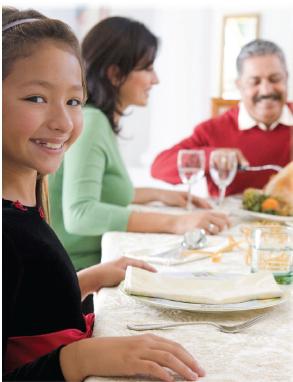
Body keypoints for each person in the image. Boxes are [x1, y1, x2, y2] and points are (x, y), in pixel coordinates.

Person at [2, 7, 206, 381]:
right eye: (35, 98)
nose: (63, 122)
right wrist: (77, 360)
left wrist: (87, 279)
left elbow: (23, 311)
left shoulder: (25, 208)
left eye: (73, 101)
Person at [48, 16, 230, 276]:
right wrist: (176, 222)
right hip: (77, 273)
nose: (155, 80)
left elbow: (100, 191)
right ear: (115, 74)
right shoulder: (92, 123)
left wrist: (159, 194)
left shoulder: (98, 120)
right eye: (147, 68)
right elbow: (81, 213)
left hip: (93, 261)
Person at [151, 39, 293, 197]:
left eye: (275, 79)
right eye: (255, 82)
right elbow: (159, 168)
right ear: (240, 85)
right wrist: (210, 156)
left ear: (286, 78)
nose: (266, 90)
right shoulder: (213, 130)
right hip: (231, 221)